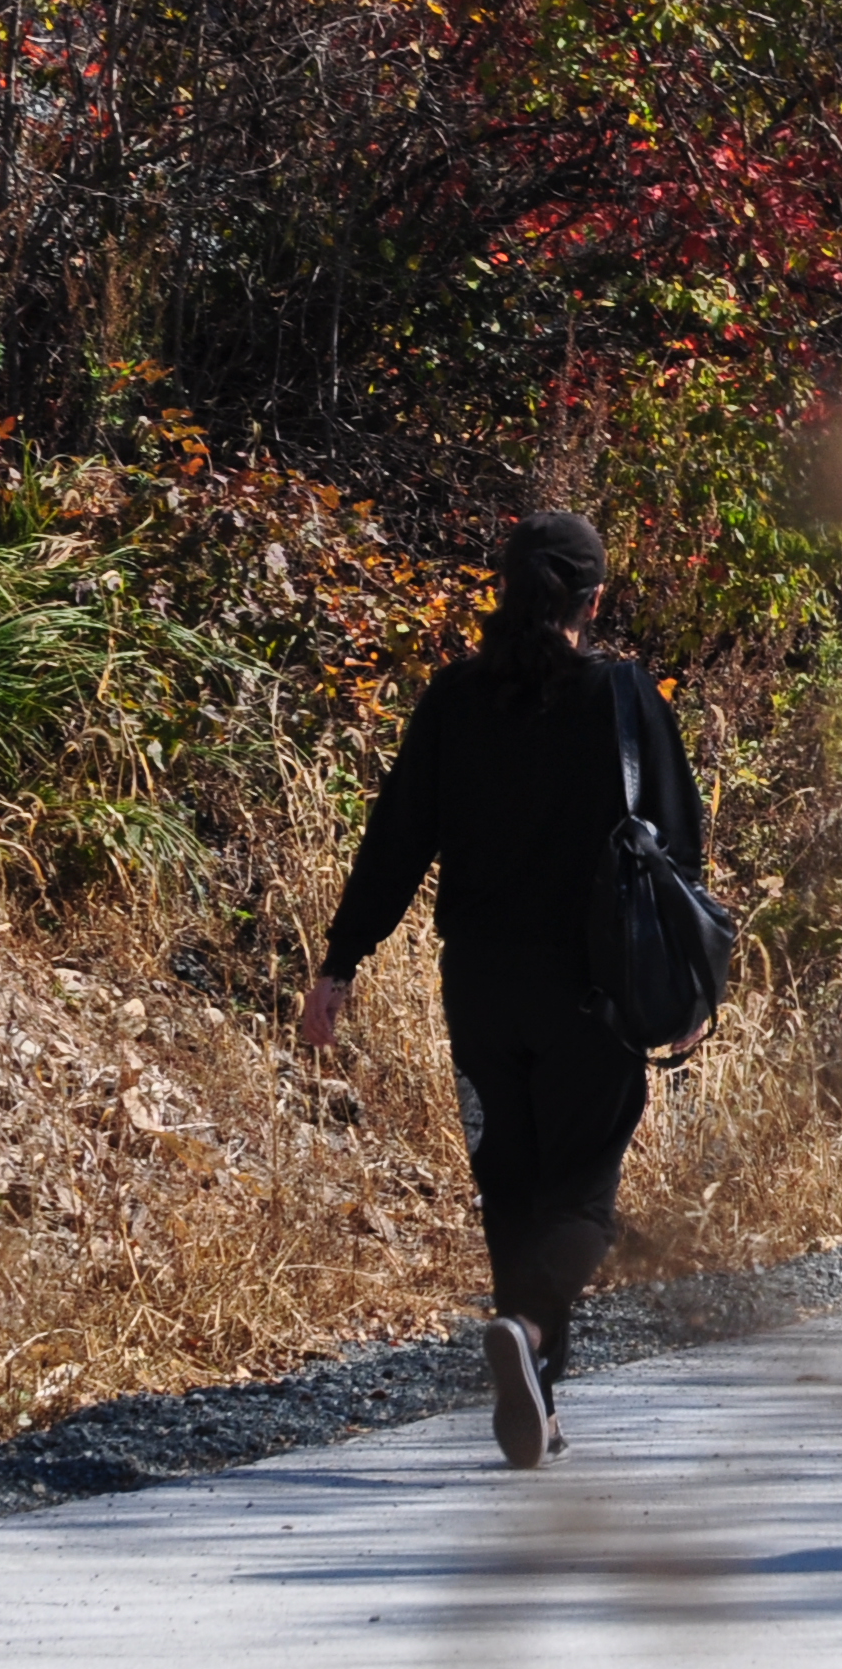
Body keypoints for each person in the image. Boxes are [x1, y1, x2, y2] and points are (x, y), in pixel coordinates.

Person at [298, 511, 706, 1470]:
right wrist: (685, 987)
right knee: (582, 1202)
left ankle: (540, 1407)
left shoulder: (454, 700)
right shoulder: (624, 696)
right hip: (589, 990)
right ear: (593, 600)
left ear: (507, 593)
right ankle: (524, 1334)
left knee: (508, 1190)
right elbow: (679, 848)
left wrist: (340, 962)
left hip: (479, 988)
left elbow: (396, 840)